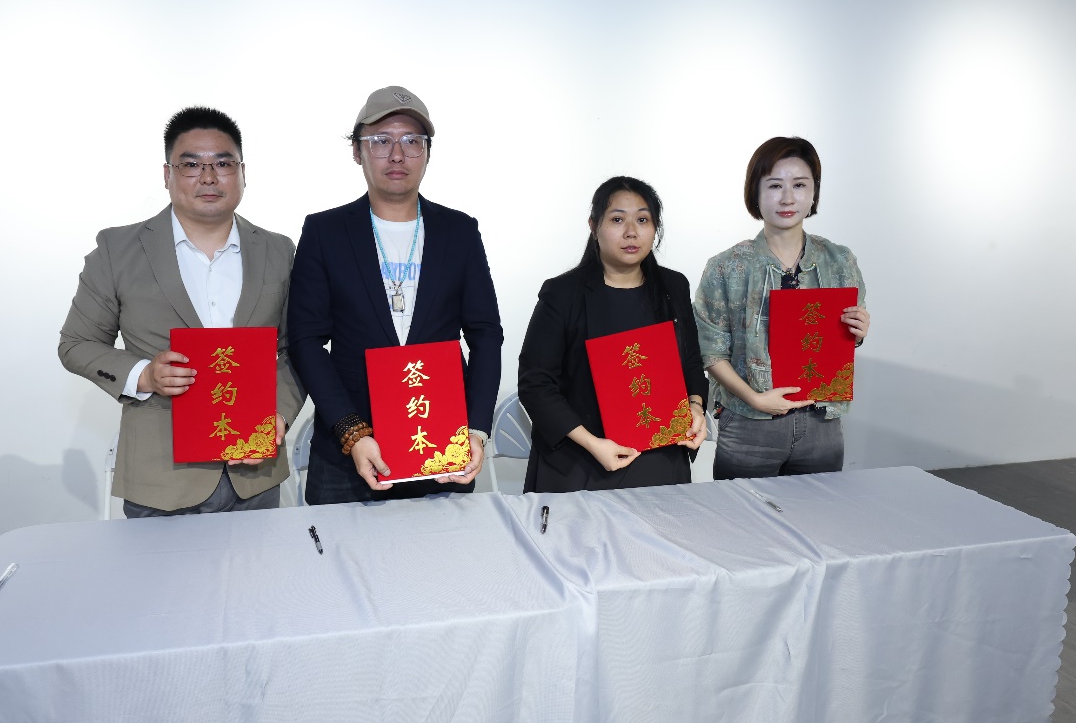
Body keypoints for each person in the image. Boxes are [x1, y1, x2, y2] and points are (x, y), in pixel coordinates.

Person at [59, 107, 306, 517]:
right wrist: (144, 374)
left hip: (256, 473)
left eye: (223, 163)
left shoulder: (279, 250)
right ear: (167, 174)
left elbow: (295, 348)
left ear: (242, 172)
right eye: (191, 165)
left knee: (261, 563)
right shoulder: (117, 250)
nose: (208, 177)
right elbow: (76, 344)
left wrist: (279, 413)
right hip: (161, 477)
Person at [287, 86, 503, 504]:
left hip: (442, 441)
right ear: (357, 151)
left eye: (412, 141)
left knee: (446, 547)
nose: (397, 155)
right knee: (339, 546)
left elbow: (486, 333)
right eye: (381, 141)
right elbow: (306, 339)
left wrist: (477, 428)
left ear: (427, 152)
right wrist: (350, 431)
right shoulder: (325, 232)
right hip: (348, 448)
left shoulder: (459, 231)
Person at [693, 136, 869, 479]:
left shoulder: (839, 260)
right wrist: (755, 399)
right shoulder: (727, 266)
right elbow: (710, 351)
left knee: (818, 509)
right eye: (775, 185)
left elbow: (846, 333)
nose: (788, 197)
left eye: (799, 185)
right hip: (749, 423)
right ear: (755, 193)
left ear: (814, 192)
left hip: (821, 420)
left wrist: (858, 330)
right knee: (743, 511)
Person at [518, 176, 707, 493]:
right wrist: (592, 443)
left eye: (643, 220)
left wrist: (696, 407)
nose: (631, 232)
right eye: (617, 219)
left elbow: (690, 362)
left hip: (660, 453)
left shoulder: (673, 287)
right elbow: (535, 383)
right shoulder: (562, 294)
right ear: (594, 226)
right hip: (581, 459)